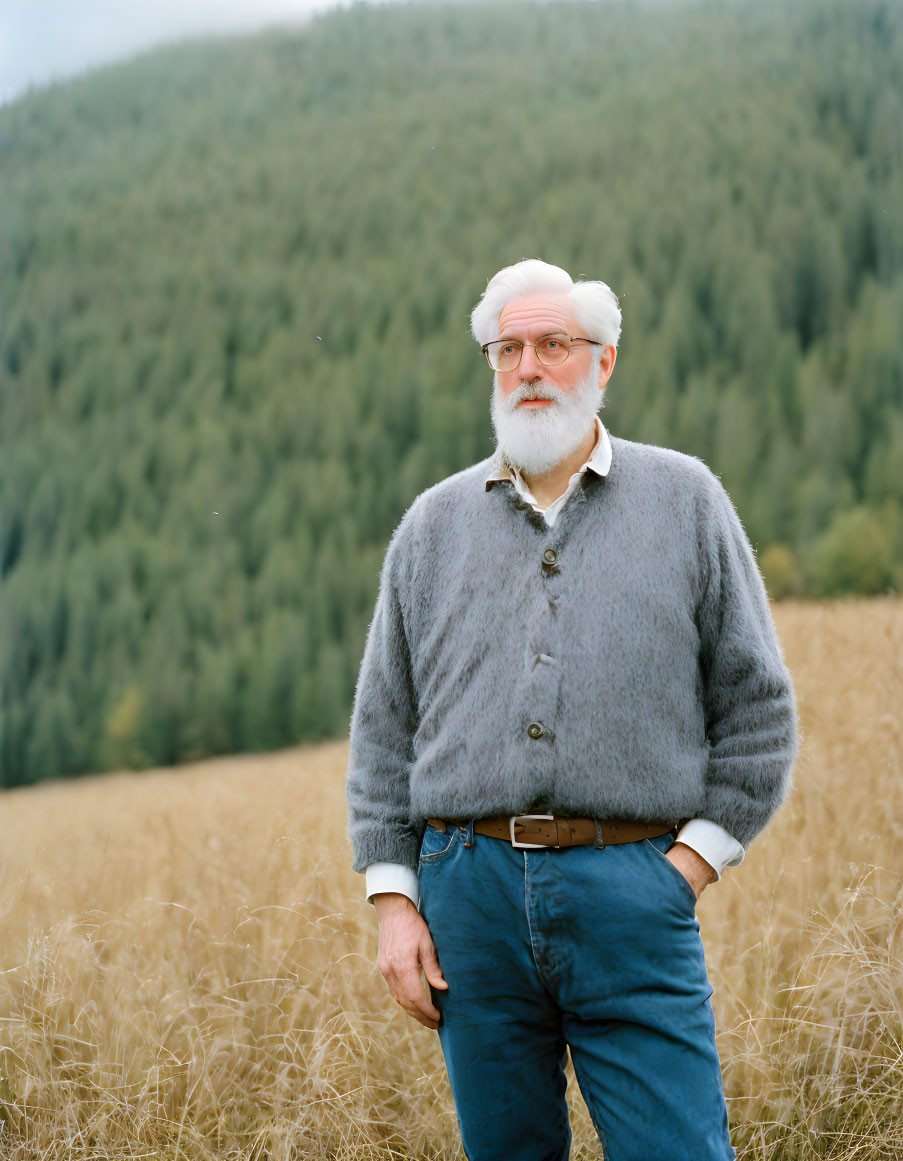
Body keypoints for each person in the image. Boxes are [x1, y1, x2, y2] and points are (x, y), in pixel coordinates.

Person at [345, 258, 799, 1161]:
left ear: (604, 362)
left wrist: (682, 871)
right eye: (507, 348)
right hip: (466, 901)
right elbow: (382, 735)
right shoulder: (429, 528)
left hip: (632, 891)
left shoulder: (685, 500)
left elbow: (758, 713)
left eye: (554, 344)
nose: (528, 367)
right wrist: (397, 903)